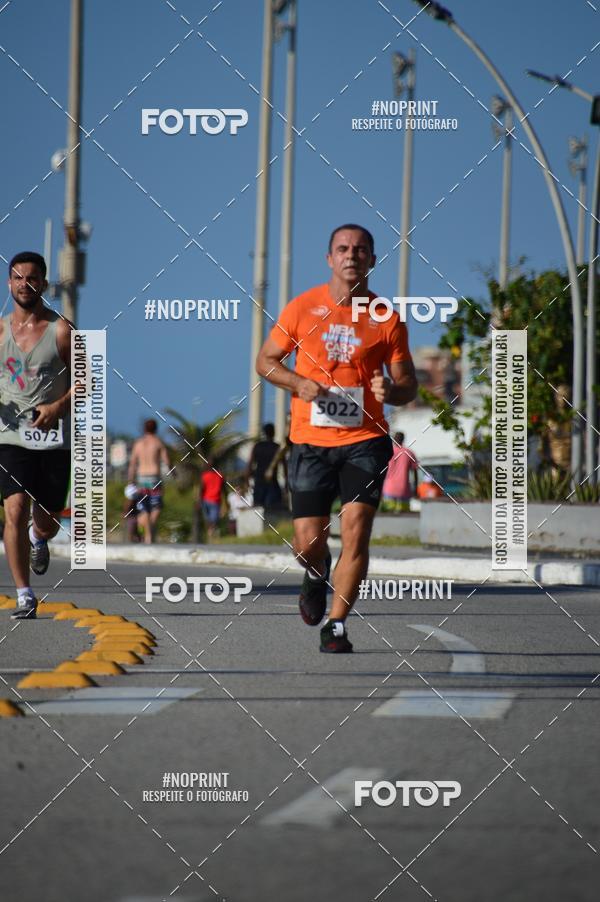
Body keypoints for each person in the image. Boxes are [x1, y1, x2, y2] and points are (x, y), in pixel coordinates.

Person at [256, 224, 417, 652]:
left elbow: (408, 383)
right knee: (308, 541)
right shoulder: (301, 308)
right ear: (330, 258)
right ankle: (315, 572)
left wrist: (393, 391)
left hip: (366, 440)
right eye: (343, 249)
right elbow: (266, 361)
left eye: (361, 250)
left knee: (357, 529)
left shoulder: (387, 319)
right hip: (310, 441)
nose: (352, 255)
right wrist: (297, 383)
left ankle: (338, 623)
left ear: (372, 259)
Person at [1, 252, 74, 620]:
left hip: (53, 439)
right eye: (17, 278)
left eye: (32, 279)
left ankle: (38, 537)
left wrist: (58, 407)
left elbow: (87, 380)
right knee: (13, 508)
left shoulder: (62, 329)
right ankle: (24, 593)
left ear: (44, 284)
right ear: (9, 283)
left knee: (48, 518)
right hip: (10, 437)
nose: (24, 285)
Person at [127, 419, 169, 544]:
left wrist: (131, 481)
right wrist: (174, 472)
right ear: (156, 429)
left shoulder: (138, 444)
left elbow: (133, 464)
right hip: (154, 478)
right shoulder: (158, 443)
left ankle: (147, 535)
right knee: (157, 507)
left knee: (144, 508)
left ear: (144, 429)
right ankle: (150, 528)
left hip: (141, 479)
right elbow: (166, 461)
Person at [246, 423, 283, 509]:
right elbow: (285, 466)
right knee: (275, 508)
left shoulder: (257, 446)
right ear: (274, 433)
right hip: (272, 481)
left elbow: (249, 465)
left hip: (259, 480)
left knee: (257, 507)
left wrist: (246, 480)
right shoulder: (277, 447)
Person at [382, 431, 419, 510]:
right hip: (404, 490)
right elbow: (415, 472)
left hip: (388, 489)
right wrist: (415, 489)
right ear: (403, 439)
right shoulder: (409, 453)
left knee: (388, 518)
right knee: (404, 518)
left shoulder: (386, 452)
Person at [199, 457, 224, 539]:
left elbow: (201, 489)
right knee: (213, 520)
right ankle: (211, 533)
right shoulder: (220, 475)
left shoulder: (204, 476)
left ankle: (210, 534)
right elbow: (223, 489)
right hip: (215, 500)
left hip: (206, 500)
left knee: (209, 519)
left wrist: (199, 500)